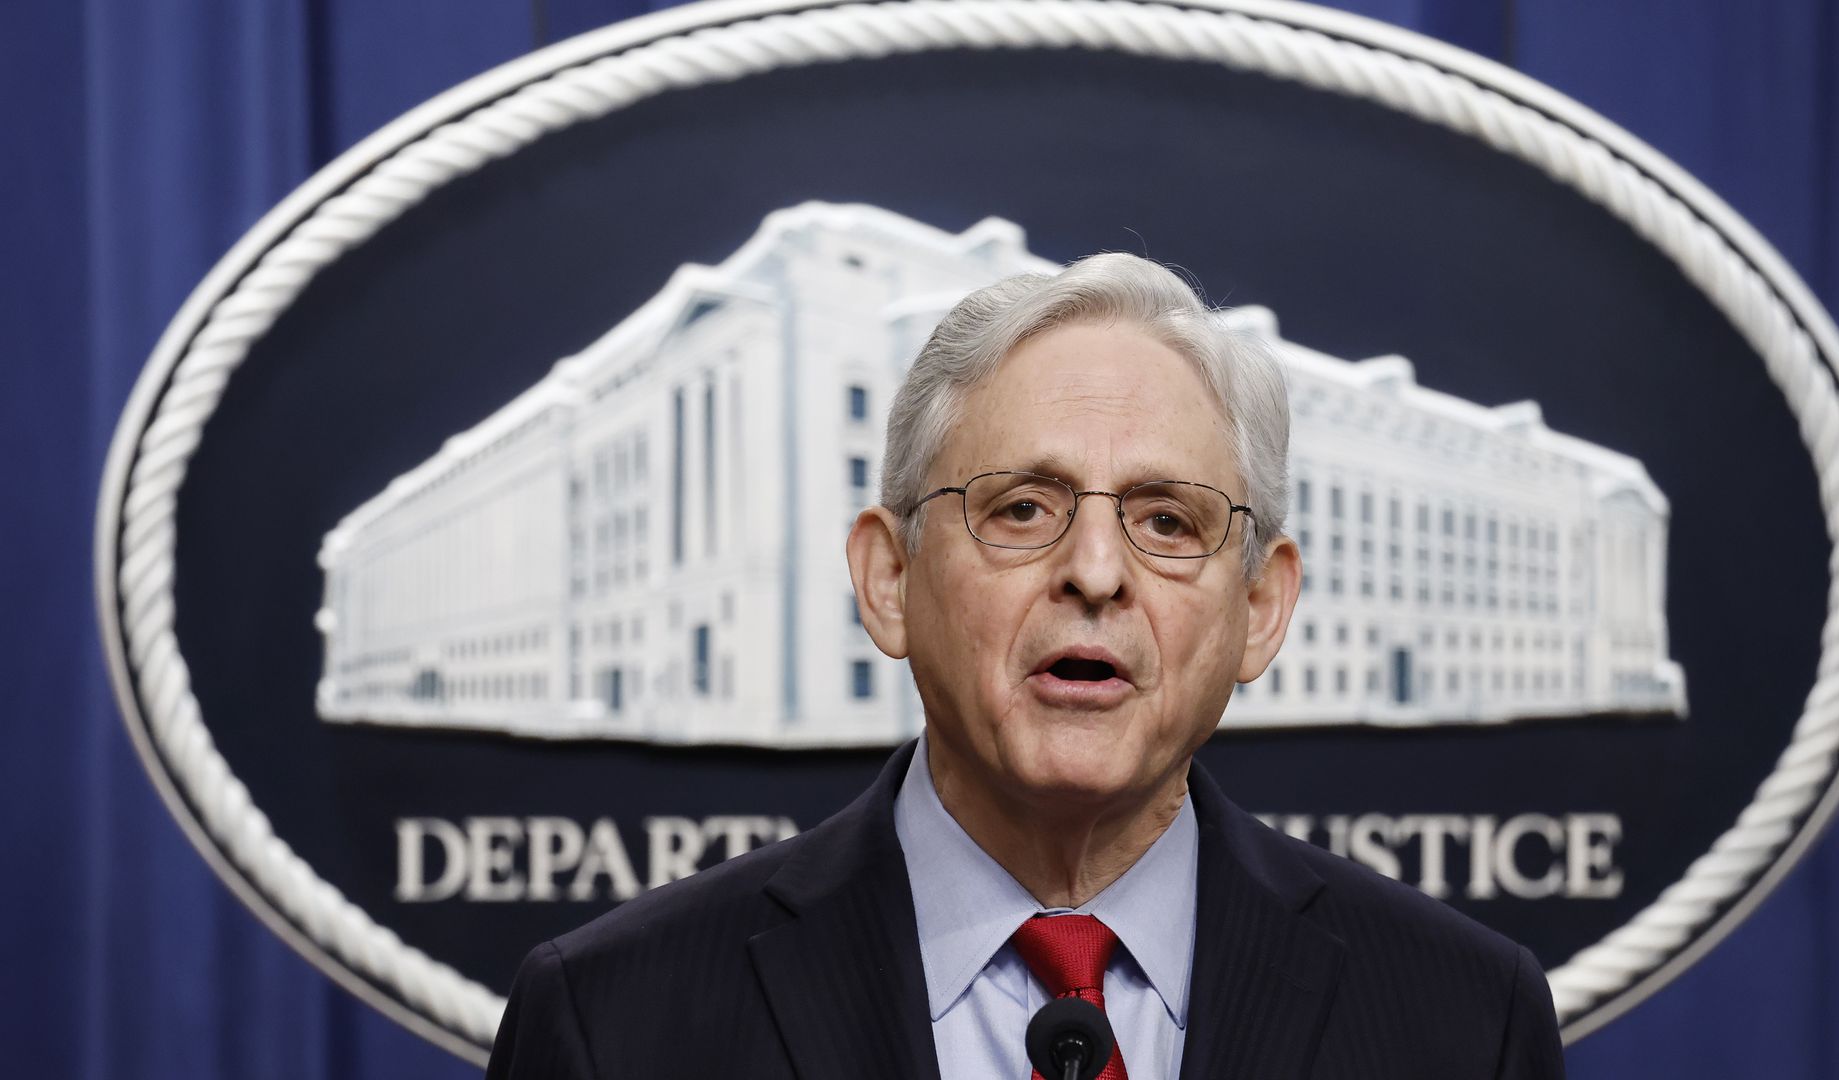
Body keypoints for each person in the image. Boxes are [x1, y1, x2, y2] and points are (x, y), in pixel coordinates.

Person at [486, 254, 1566, 1079]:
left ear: (1258, 608)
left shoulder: (1466, 1024)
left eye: (1168, 521)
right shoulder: (612, 1024)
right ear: (888, 580)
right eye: (1022, 509)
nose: (1095, 571)